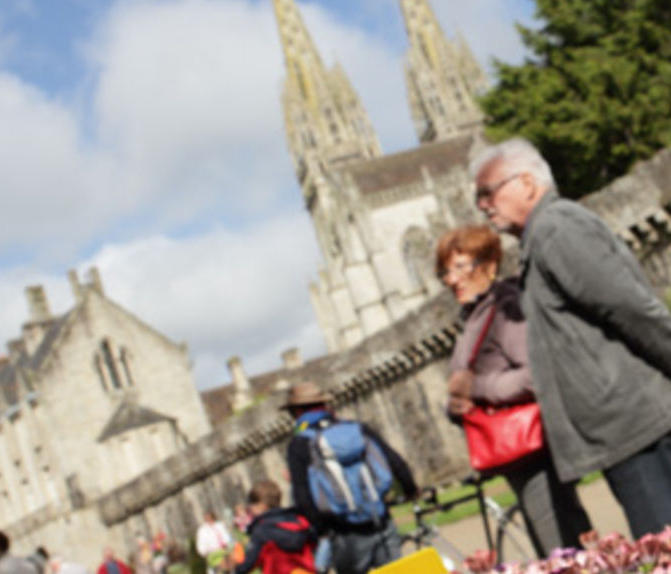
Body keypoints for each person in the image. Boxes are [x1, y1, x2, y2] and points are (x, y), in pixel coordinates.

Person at [471, 137, 671, 539]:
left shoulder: (556, 228)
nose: (482, 205)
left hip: (637, 426)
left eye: (488, 192)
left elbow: (630, 307)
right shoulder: (542, 236)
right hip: (627, 430)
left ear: (527, 183)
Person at [437, 224, 593, 555]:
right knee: (557, 548)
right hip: (517, 455)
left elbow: (535, 376)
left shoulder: (505, 306)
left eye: (460, 267)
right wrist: (456, 404)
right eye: (445, 272)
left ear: (490, 264)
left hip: (535, 451)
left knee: (561, 551)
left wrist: (477, 386)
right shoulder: (474, 316)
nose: (451, 279)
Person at [283, 381, 418, 574]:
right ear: (325, 405)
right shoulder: (356, 428)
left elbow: (302, 495)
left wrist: (322, 529)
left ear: (296, 412)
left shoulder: (300, 444)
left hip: (343, 531)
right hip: (380, 520)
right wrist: (410, 490)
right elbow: (394, 461)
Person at [230, 480, 317, 574]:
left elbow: (250, 561)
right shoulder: (299, 520)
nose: (250, 509)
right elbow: (314, 542)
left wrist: (237, 570)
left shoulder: (262, 530)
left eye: (251, 504)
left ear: (261, 505)